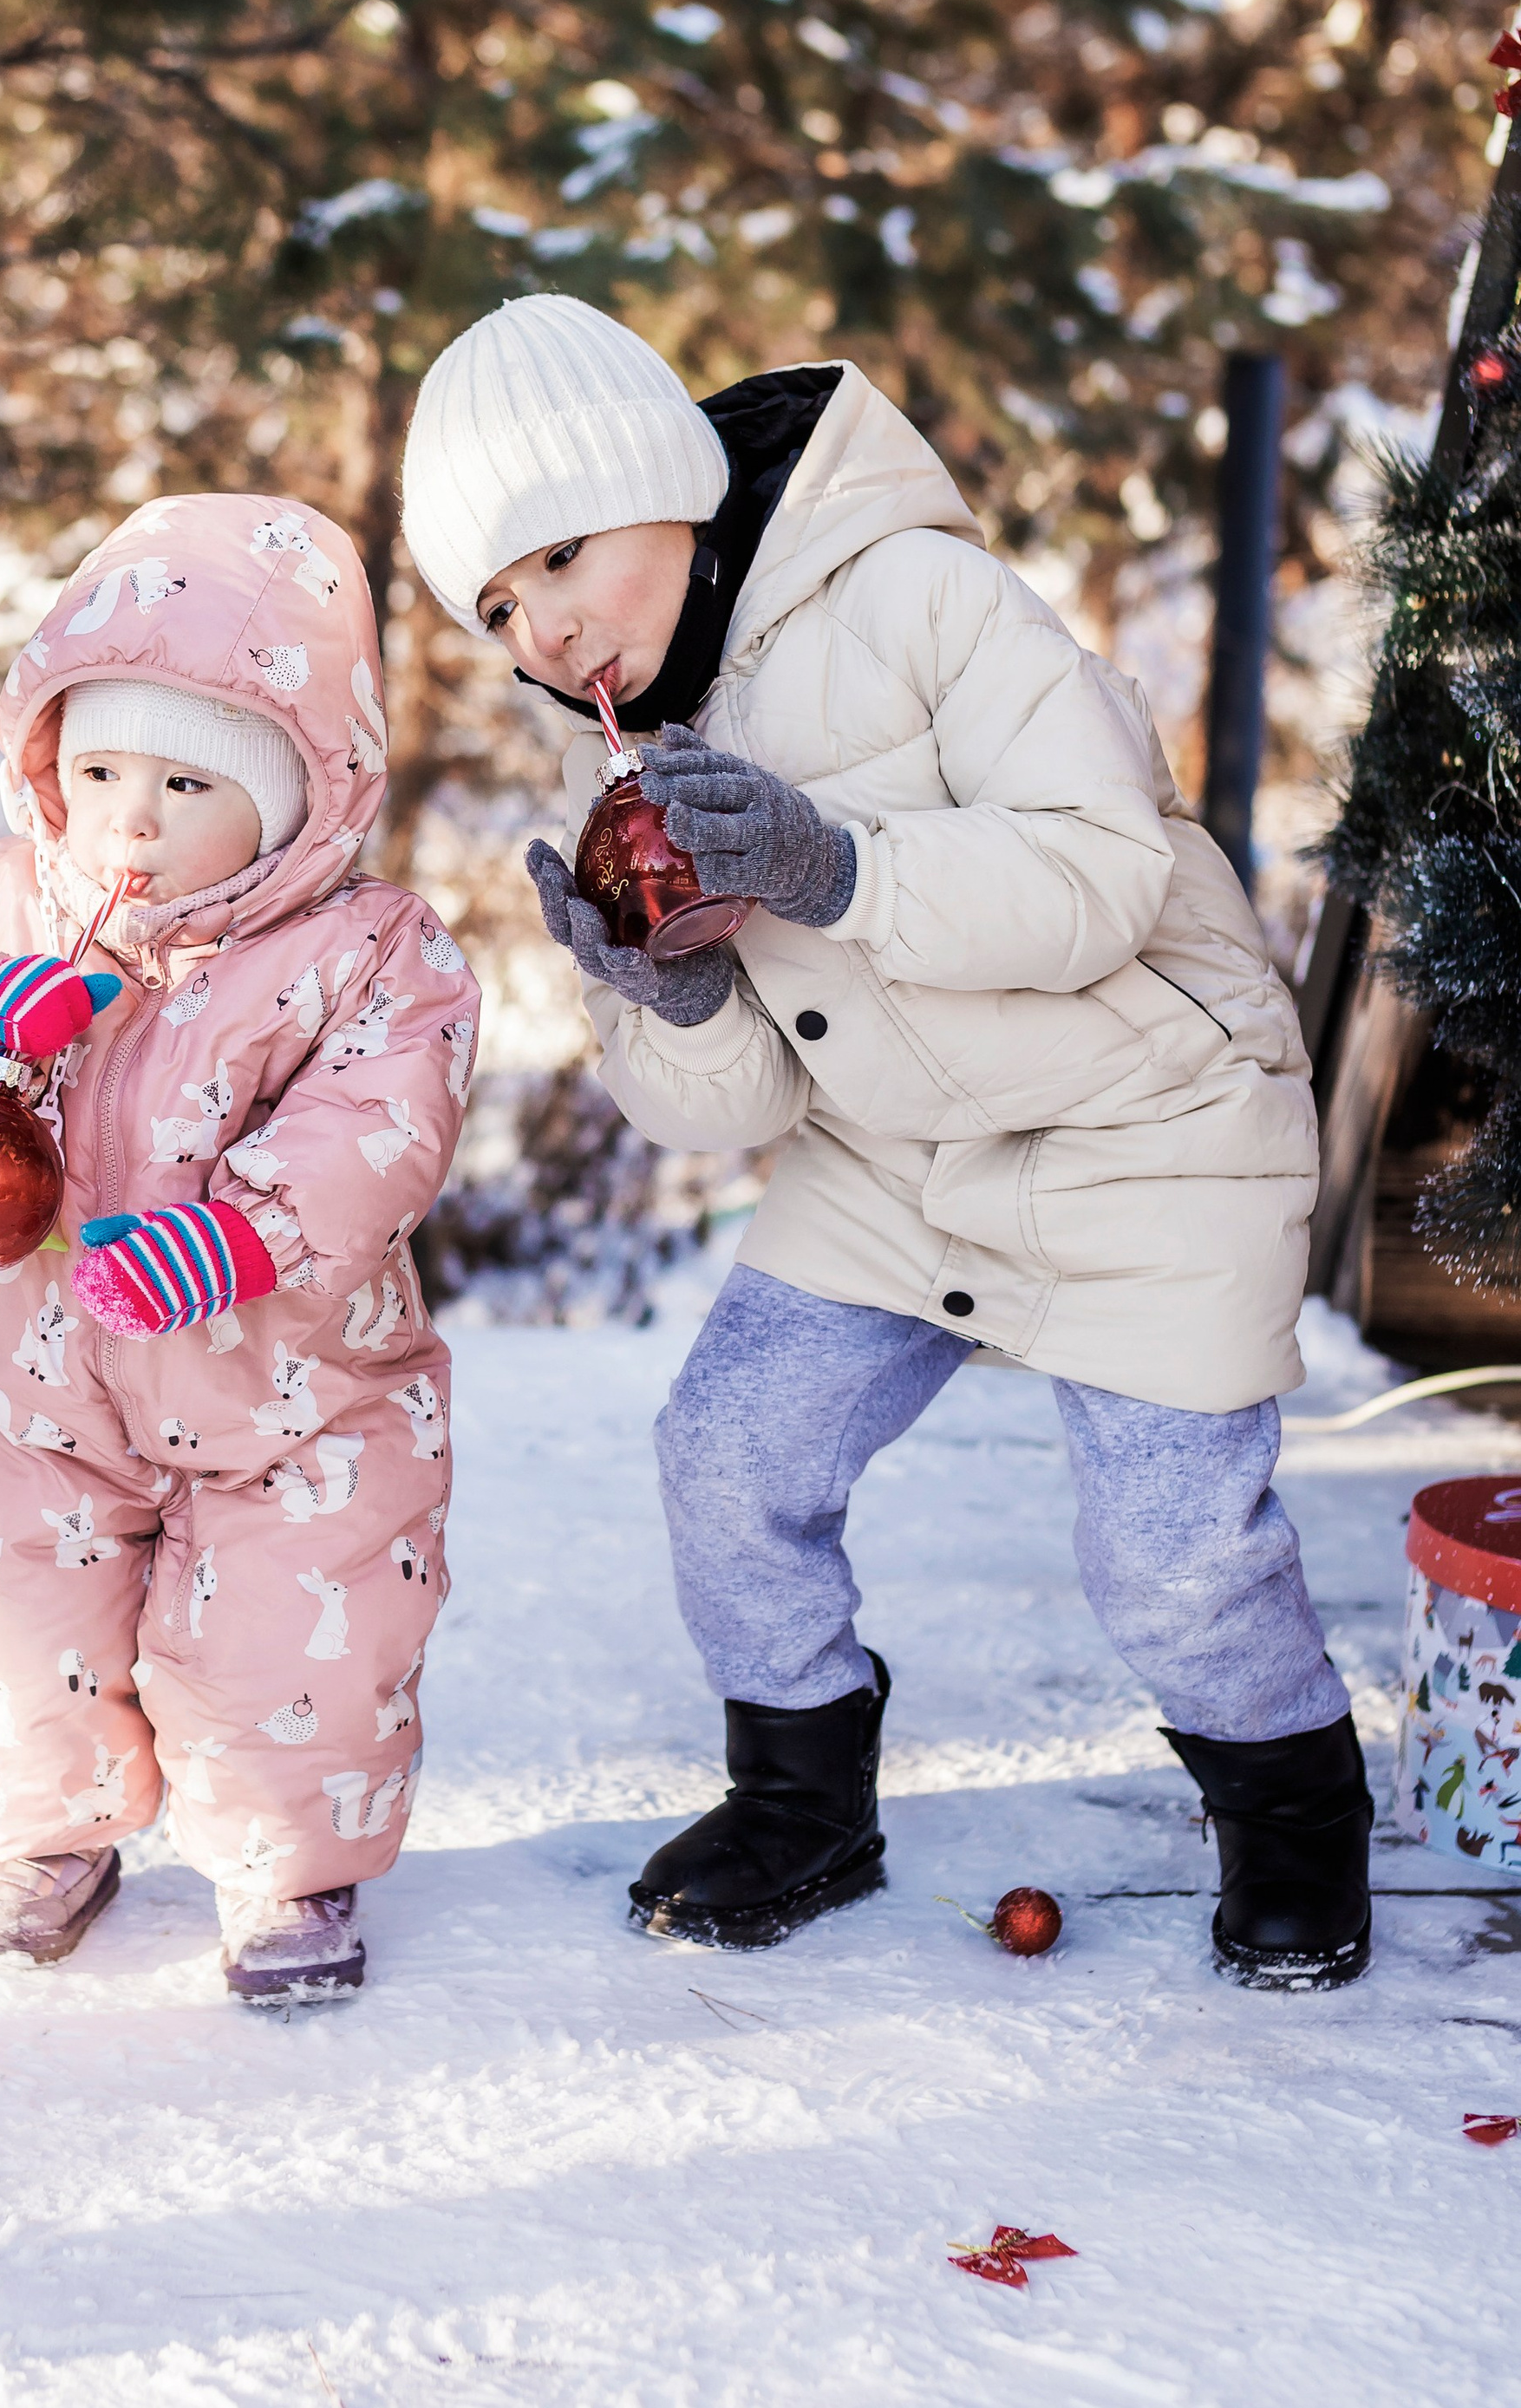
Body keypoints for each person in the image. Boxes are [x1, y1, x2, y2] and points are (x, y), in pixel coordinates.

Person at [399, 293, 1368, 1992]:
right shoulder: (619, 772)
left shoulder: (918, 595)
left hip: (1146, 1117)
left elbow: (1100, 875)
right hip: (895, 1157)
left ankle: (1289, 1807)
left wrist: (826, 863)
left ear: (665, 487)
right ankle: (800, 1797)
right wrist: (670, 996)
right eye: (494, 608)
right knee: (728, 1452)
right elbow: (742, 1112)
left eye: (557, 558)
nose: (540, 629)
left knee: (1167, 1552)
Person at [0, 493, 477, 2004]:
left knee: (296, 1632)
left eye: (187, 783)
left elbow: (384, 1117)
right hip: (31, 1380)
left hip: (292, 1394)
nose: (130, 819)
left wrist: (244, 1234)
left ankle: (287, 1866)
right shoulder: (8, 900)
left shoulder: (366, 950)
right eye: (99, 769)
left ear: (298, 797)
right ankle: (43, 1836)